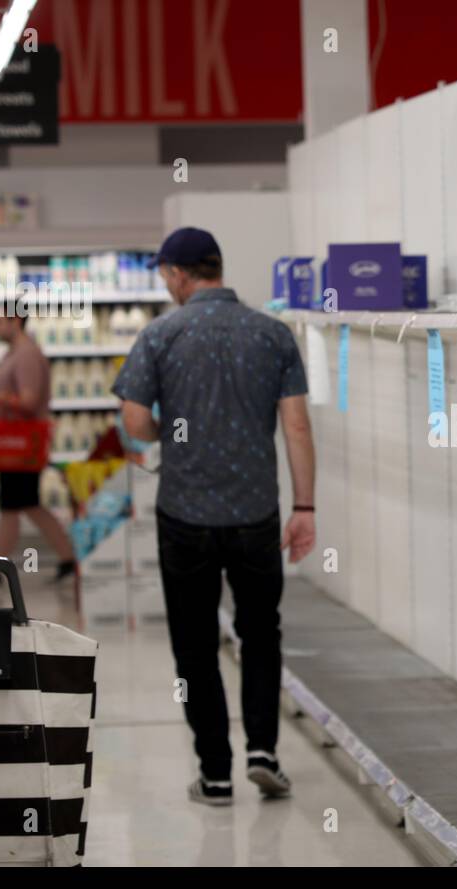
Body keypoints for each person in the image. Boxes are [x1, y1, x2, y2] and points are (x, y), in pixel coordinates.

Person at [112, 227, 316, 806]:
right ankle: (263, 752)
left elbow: (133, 419)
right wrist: (304, 507)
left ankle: (216, 774)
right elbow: (297, 426)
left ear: (178, 274)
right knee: (260, 633)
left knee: (195, 643)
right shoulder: (273, 334)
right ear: (216, 268)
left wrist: (162, 437)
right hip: (256, 513)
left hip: (185, 515)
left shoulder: (160, 335)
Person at [0, 300, 77, 586]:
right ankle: (61, 560)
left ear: (16, 320)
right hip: (13, 443)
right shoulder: (16, 352)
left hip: (22, 442)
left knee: (22, 504)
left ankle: (65, 559)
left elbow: (28, 402)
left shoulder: (26, 355)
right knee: (18, 504)